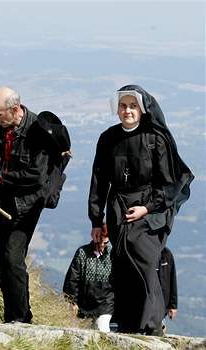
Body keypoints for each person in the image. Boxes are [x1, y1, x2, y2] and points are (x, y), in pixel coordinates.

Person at [0, 87, 71, 323]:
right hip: (0, 198)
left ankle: (20, 319)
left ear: (15, 109)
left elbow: (36, 177)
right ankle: (13, 315)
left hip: (27, 202)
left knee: (12, 257)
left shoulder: (39, 132)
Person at [88, 85, 193, 335]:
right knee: (123, 264)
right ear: (117, 109)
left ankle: (151, 327)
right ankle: (128, 325)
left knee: (145, 264)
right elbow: (99, 181)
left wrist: (146, 208)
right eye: (123, 106)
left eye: (133, 106)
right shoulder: (108, 138)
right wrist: (96, 219)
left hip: (150, 209)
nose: (127, 111)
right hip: (118, 208)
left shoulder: (155, 138)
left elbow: (168, 182)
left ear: (142, 108)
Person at [63, 224, 114, 332]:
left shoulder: (113, 254)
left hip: (105, 303)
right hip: (84, 303)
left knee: (102, 329)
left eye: (105, 241)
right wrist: (72, 301)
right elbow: (72, 279)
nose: (101, 244)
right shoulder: (82, 252)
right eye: (99, 239)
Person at [157, 247, 178, 334]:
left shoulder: (166, 254)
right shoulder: (146, 251)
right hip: (149, 300)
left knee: (160, 331)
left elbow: (172, 279)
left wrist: (173, 305)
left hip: (163, 303)